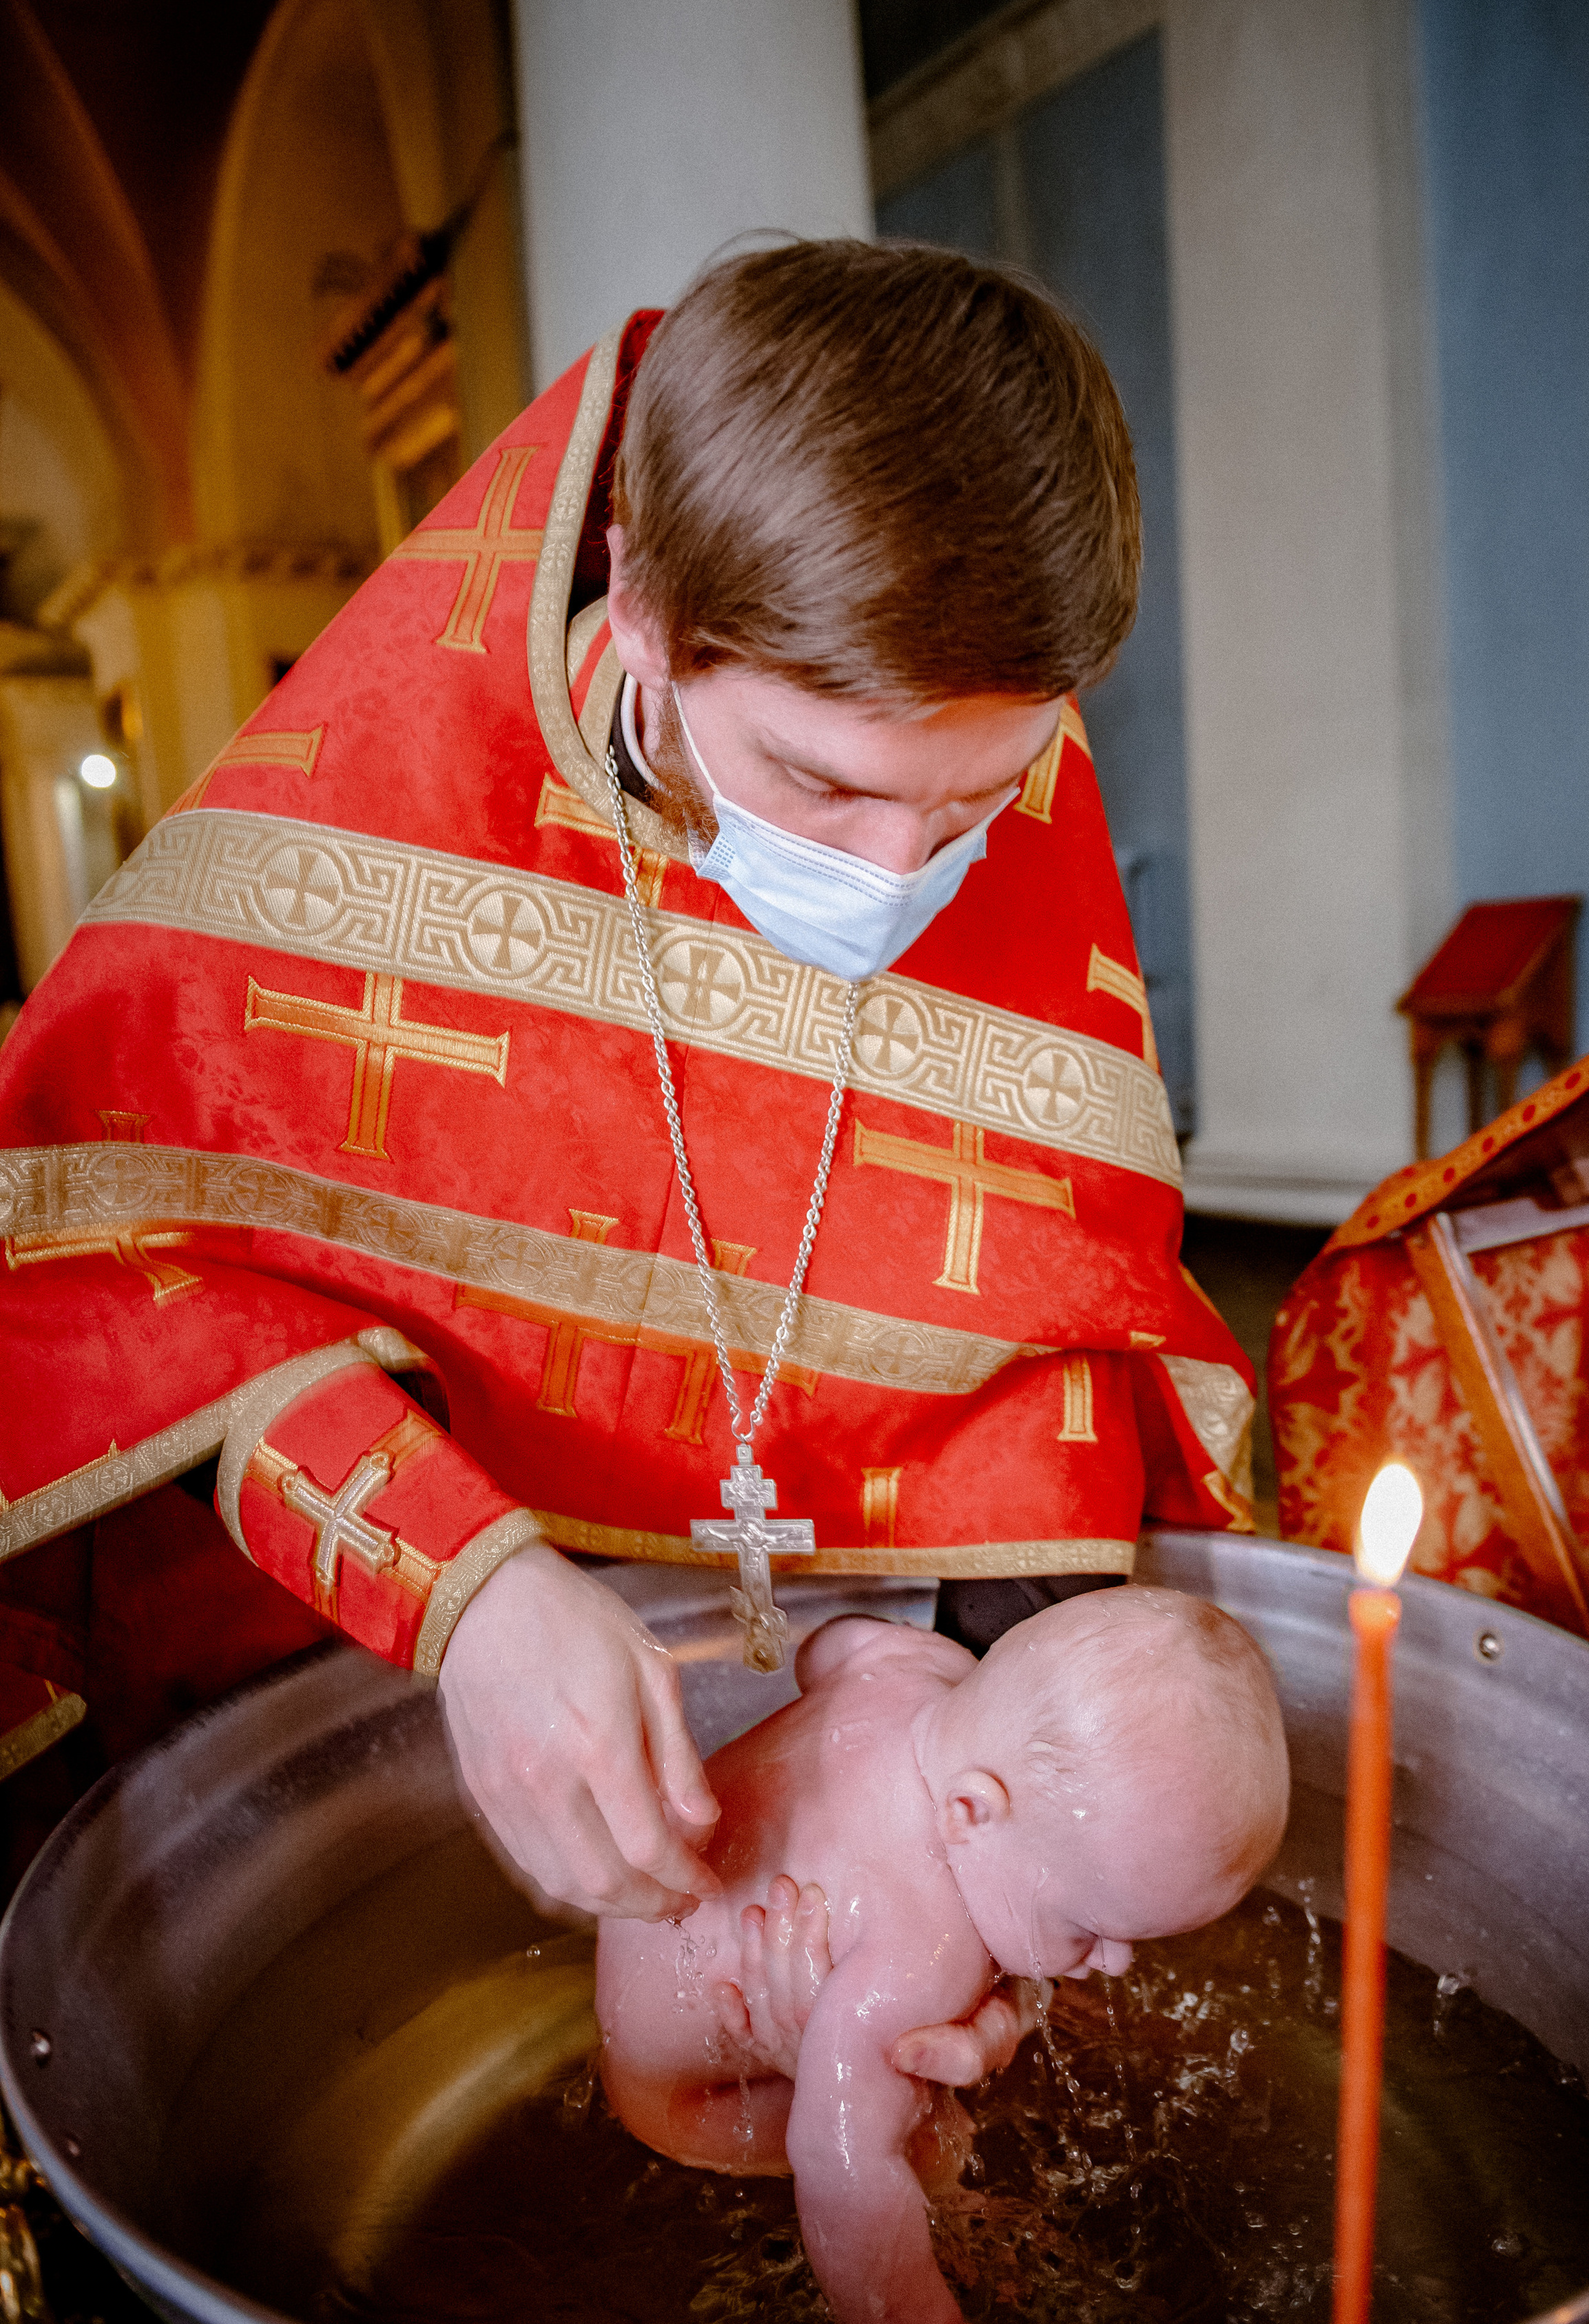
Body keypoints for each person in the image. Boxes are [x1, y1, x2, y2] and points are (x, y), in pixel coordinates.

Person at [0, 241, 1257, 1934]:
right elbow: (117, 1280)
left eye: (977, 796)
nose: (901, 873)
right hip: (378, 1701)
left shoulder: (992, 785)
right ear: (644, 607)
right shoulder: (345, 844)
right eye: (817, 783)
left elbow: (1055, 1332)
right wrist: (469, 1583)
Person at [594, 1586, 1291, 2324]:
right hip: (685, 2099)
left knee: (919, 2056)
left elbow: (827, 1649)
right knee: (928, 2137)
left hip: (639, 1937)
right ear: (969, 1814)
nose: (1114, 1961)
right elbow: (839, 2161)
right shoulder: (918, 1953)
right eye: (1088, 1928)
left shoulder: (918, 1665)